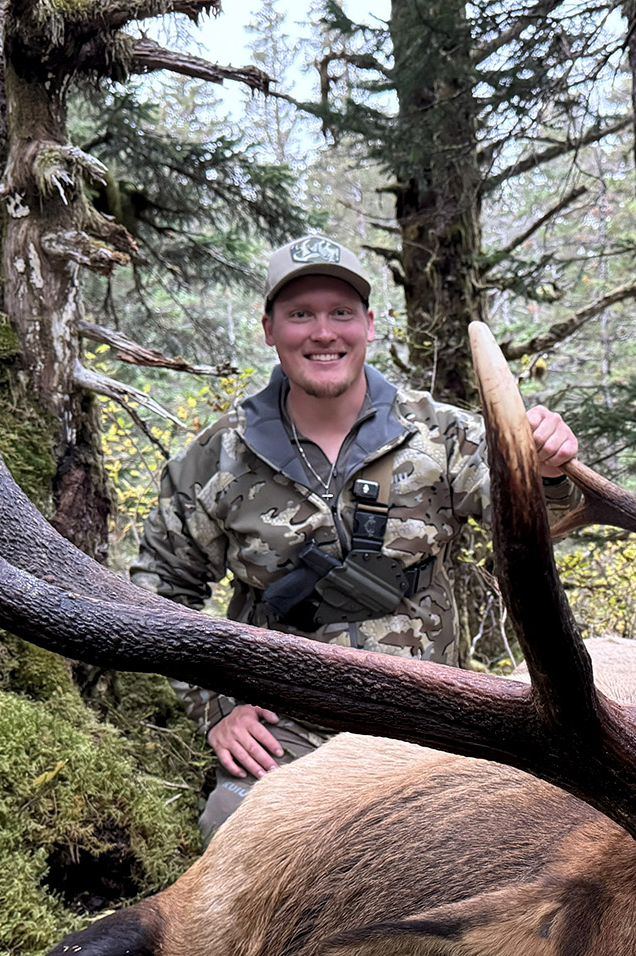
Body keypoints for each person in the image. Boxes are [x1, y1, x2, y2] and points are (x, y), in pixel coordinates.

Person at [132, 234, 581, 841]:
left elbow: (539, 525)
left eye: (341, 313)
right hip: (288, 725)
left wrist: (548, 469)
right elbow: (158, 592)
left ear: (369, 325)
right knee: (237, 831)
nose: (323, 333)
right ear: (269, 329)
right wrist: (216, 707)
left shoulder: (444, 435)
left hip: (437, 719)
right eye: (300, 315)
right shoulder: (218, 458)